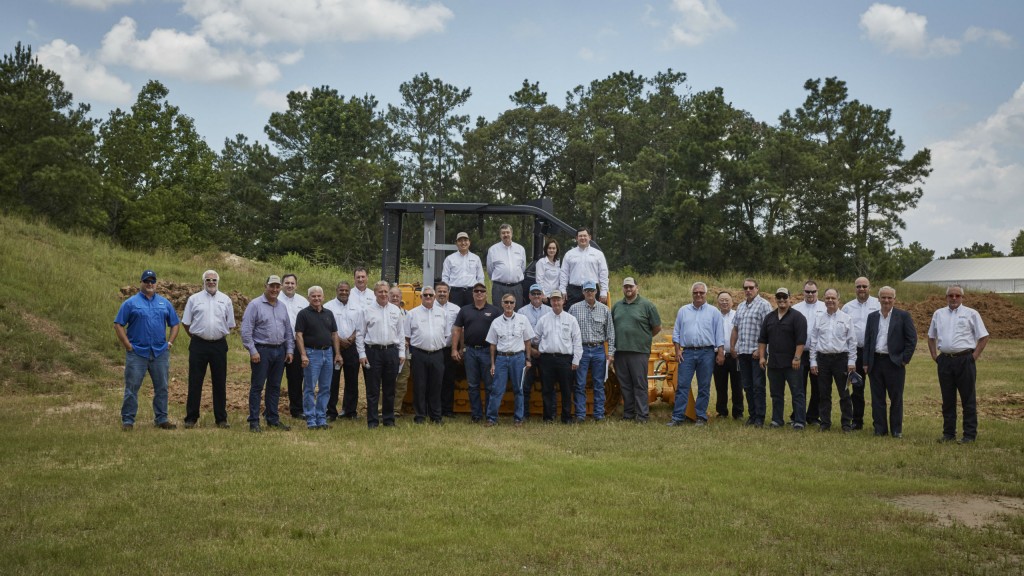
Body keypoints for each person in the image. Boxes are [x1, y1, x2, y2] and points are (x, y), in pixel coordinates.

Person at [114, 269, 180, 431]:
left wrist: (169, 343)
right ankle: (128, 421)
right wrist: (128, 345)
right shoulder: (130, 303)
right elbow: (118, 324)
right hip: (137, 353)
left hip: (159, 353)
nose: (150, 284)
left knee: (162, 387)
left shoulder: (165, 303)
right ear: (141, 283)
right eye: (146, 281)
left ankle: (162, 419)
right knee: (132, 388)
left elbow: (175, 324)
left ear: (156, 283)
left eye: (152, 281)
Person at [928, 284, 989, 444]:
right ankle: (948, 433)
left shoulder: (971, 314)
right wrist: (935, 356)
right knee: (947, 399)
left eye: (957, 295)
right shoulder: (938, 314)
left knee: (968, 399)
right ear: (946, 297)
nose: (954, 298)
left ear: (962, 297)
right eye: (950, 295)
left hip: (965, 360)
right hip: (945, 360)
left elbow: (983, 337)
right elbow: (931, 336)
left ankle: (969, 435)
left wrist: (973, 356)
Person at [181, 269, 235, 429]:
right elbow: (186, 322)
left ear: (218, 282)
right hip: (198, 345)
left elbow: (230, 323)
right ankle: (191, 417)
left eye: (214, 280)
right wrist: (197, 337)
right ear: (203, 282)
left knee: (220, 382)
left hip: (219, 345)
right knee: (195, 381)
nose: (211, 283)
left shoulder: (226, 300)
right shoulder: (194, 299)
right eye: (208, 280)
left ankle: (221, 419)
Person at [240, 275, 294, 433]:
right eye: (272, 286)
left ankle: (272, 418)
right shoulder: (255, 305)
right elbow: (246, 331)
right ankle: (254, 421)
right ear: (266, 286)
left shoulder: (282, 306)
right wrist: (252, 350)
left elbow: (288, 331)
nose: (275, 290)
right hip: (261, 351)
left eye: (278, 287)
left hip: (280, 350)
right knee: (257, 386)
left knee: (275, 386)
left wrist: (290, 350)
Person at [668, 282, 725, 427]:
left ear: (706, 294)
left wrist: (721, 353)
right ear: (692, 294)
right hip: (686, 353)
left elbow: (719, 334)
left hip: (707, 353)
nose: (698, 295)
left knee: (704, 386)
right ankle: (677, 417)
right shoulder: (683, 310)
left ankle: (701, 416)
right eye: (695, 292)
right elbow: (677, 332)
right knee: (682, 386)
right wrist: (677, 350)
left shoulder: (714, 312)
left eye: (701, 292)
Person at [864, 286, 917, 438]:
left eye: (889, 297)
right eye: (883, 297)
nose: (886, 300)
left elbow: (912, 340)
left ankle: (896, 430)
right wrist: (866, 363)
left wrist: (904, 360)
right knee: (877, 398)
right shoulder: (872, 317)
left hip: (894, 363)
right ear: (878, 299)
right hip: (876, 362)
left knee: (896, 398)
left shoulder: (903, 316)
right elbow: (868, 340)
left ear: (894, 299)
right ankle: (880, 429)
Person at [611, 277, 662, 423]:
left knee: (639, 384)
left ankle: (642, 415)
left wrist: (643, 337)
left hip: (639, 351)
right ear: (623, 288)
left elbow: (657, 327)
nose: (628, 289)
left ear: (636, 288)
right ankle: (628, 414)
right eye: (626, 287)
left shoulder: (647, 305)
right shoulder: (617, 306)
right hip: (620, 351)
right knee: (625, 384)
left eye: (631, 287)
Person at [356, 281, 406, 429]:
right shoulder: (367, 310)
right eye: (380, 292)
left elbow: (401, 333)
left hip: (391, 352)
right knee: (373, 389)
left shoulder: (396, 310)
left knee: (390, 388)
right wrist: (362, 354)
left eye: (386, 291)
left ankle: (389, 420)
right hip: (373, 352)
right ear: (375, 293)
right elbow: (360, 334)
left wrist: (401, 352)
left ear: (389, 293)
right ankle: (372, 421)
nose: (383, 294)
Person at [758, 287, 808, 429]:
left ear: (790, 298)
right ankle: (777, 420)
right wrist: (762, 357)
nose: (781, 300)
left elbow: (801, 341)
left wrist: (797, 358)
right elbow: (762, 340)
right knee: (776, 394)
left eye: (784, 297)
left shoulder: (798, 317)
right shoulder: (769, 317)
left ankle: (799, 421)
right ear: (775, 299)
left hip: (793, 364)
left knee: (797, 393)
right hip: (774, 363)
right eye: (779, 297)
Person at [451, 282, 500, 423]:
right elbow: (457, 329)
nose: (479, 293)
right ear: (473, 294)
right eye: (476, 291)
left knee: (490, 385)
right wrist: (456, 348)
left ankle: (490, 416)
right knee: (473, 385)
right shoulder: (465, 310)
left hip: (488, 351)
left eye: (482, 291)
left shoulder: (495, 311)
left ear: (486, 294)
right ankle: (476, 415)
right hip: (470, 351)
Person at [294, 286, 342, 430]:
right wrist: (303, 354)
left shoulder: (329, 314)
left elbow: (334, 334)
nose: (316, 298)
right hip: (311, 354)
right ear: (309, 298)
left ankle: (321, 418)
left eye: (319, 296)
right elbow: (299, 335)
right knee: (309, 388)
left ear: (323, 297)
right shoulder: (303, 314)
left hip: (327, 353)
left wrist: (337, 353)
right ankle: (311, 419)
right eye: (313, 296)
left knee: (325, 388)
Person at [808, 288, 856, 433]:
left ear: (838, 300)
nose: (830, 301)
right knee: (824, 393)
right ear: (824, 300)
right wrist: (813, 361)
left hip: (841, 359)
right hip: (823, 359)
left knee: (844, 393)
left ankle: (846, 423)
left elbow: (852, 342)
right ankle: (825, 423)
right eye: (827, 298)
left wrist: (851, 361)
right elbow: (813, 341)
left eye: (833, 298)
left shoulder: (846, 318)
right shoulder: (819, 318)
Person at [568, 280, 615, 422]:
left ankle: (599, 414)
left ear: (596, 292)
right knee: (580, 383)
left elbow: (611, 333)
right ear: (583, 292)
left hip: (598, 350)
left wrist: (611, 353)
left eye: (592, 290)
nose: (589, 293)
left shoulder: (605, 309)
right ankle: (580, 415)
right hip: (581, 349)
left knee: (599, 384)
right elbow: (568, 332)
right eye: (587, 290)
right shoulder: (574, 309)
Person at [486, 293, 535, 426]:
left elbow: (527, 340)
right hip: (501, 358)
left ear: (515, 304)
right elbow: (492, 345)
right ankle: (491, 418)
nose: (508, 305)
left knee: (519, 389)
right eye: (506, 302)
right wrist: (492, 364)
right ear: (502, 304)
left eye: (511, 302)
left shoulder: (523, 319)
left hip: (518, 358)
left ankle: (518, 419)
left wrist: (528, 359)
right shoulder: (496, 322)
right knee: (497, 389)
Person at [533, 290, 583, 423]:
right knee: (547, 389)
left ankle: (566, 417)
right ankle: (548, 417)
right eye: (553, 300)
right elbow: (535, 339)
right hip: (546, 359)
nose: (556, 302)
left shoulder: (571, 320)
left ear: (563, 301)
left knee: (566, 390)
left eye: (558, 299)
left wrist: (576, 359)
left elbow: (577, 341)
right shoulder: (543, 320)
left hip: (565, 359)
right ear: (550, 301)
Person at [731, 278, 772, 427]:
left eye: (751, 288)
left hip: (757, 353)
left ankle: (760, 417)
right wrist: (733, 346)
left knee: (758, 386)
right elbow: (735, 328)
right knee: (747, 386)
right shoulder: (741, 306)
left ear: (757, 288)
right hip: (743, 353)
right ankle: (752, 415)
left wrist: (761, 351)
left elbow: (769, 330)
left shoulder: (764, 305)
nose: (748, 290)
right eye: (745, 288)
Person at [404, 285, 448, 424]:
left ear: (434, 297)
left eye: (430, 295)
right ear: (421, 297)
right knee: (419, 386)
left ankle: (436, 416)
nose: (428, 297)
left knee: (436, 386)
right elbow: (407, 336)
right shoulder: (412, 314)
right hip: (419, 354)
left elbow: (446, 334)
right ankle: (420, 416)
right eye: (425, 295)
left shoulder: (442, 313)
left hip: (437, 354)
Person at [842, 277, 880, 430]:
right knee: (857, 388)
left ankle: (879, 422)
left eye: (864, 286)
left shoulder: (878, 304)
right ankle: (857, 421)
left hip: (875, 352)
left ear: (869, 287)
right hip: (856, 352)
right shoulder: (847, 307)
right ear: (854, 288)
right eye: (858, 286)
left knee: (877, 389)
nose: (861, 289)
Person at [324, 281, 362, 421]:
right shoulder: (328, 306)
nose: (344, 292)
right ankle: (331, 412)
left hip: (352, 348)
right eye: (341, 290)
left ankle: (349, 411)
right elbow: (326, 328)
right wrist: (339, 340)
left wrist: (351, 338)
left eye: (346, 290)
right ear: (336, 290)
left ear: (350, 291)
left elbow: (360, 327)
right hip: (334, 348)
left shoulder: (357, 308)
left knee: (352, 381)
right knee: (332, 380)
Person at [791, 279, 826, 426]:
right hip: (800, 352)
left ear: (817, 292)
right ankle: (798, 415)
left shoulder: (825, 307)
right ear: (803, 292)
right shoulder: (796, 308)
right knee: (798, 385)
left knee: (817, 386)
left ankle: (813, 416)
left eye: (813, 291)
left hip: (818, 353)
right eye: (807, 291)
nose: (810, 294)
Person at [518, 284, 551, 421]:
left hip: (545, 352)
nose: (536, 296)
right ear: (529, 296)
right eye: (534, 293)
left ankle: (548, 416)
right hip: (528, 350)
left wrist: (542, 349)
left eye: (539, 293)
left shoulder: (550, 311)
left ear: (543, 295)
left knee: (547, 385)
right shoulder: (521, 312)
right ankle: (524, 414)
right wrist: (530, 350)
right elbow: (518, 334)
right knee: (525, 385)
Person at [279, 274, 309, 419]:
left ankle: (297, 410)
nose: (289, 285)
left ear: (296, 285)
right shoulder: (275, 299)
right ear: (281, 284)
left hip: (297, 345)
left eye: (292, 283)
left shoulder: (303, 301)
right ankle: (270, 409)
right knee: (274, 377)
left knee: (296, 378)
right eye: (287, 283)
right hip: (279, 344)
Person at [559, 227, 609, 309]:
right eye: (580, 236)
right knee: (572, 316)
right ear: (576, 238)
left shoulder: (598, 254)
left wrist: (604, 291)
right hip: (573, 291)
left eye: (585, 236)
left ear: (589, 237)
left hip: (592, 290)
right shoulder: (569, 254)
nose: (583, 238)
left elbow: (603, 273)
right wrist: (563, 290)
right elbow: (564, 273)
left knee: (593, 315)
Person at [434, 282, 462, 418]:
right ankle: (434, 408)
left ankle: (447, 409)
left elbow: (461, 329)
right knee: (435, 380)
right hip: (435, 350)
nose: (442, 294)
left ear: (449, 293)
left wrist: (458, 348)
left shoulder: (456, 309)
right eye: (439, 291)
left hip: (450, 349)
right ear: (435, 293)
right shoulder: (429, 307)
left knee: (449, 380)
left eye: (444, 291)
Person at [713, 291, 742, 420]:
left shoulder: (738, 315)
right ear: (717, 302)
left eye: (727, 300)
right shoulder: (714, 316)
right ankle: (722, 412)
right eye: (721, 300)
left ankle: (738, 412)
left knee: (737, 385)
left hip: (735, 356)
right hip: (718, 356)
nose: (724, 302)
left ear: (732, 302)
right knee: (720, 385)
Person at [486, 223, 527, 309]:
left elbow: (522, 268)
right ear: (500, 235)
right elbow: (490, 270)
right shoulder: (493, 249)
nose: (506, 235)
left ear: (512, 233)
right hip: (499, 288)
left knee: (517, 312)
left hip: (516, 287)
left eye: (508, 232)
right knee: (498, 312)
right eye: (503, 233)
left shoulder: (520, 249)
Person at [441, 231, 485, 308]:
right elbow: (445, 277)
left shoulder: (476, 258)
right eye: (460, 241)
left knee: (471, 315)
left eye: (465, 240)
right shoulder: (449, 259)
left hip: (472, 292)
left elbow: (480, 277)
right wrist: (446, 292)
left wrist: (480, 292)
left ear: (469, 242)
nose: (463, 243)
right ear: (456, 243)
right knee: (455, 316)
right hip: (455, 293)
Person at [388, 286, 410, 417]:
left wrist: (408, 341)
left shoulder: (407, 314)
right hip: (389, 352)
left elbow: (413, 331)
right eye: (392, 295)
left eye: (397, 295)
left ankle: (396, 410)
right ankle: (381, 409)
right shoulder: (384, 312)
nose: (395, 298)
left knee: (401, 383)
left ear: (401, 298)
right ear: (388, 297)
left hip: (405, 354)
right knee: (384, 382)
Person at [535, 238, 561, 302]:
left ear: (557, 250)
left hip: (556, 296)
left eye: (554, 248)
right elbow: (539, 280)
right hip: (546, 297)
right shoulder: (541, 262)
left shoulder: (558, 263)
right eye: (549, 248)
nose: (551, 250)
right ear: (546, 249)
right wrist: (543, 294)